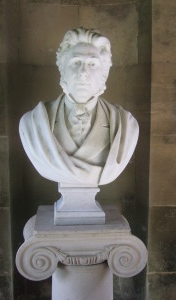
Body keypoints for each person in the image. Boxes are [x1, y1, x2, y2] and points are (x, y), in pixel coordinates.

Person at [19, 27, 139, 186]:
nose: (83, 72)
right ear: (62, 69)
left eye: (92, 64)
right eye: (76, 62)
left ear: (104, 73)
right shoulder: (31, 124)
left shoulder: (127, 126)